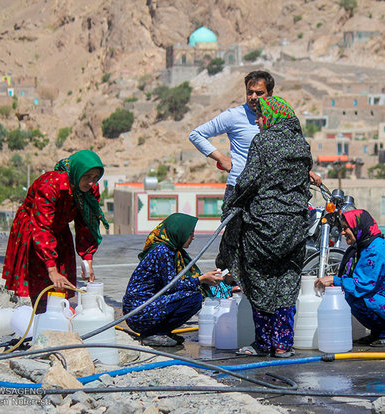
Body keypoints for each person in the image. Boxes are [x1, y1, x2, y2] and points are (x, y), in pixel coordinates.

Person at [217, 96, 312, 357]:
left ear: (271, 117)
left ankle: (264, 342)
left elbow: (248, 181)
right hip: (294, 227)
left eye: (260, 117)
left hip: (263, 226)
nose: (258, 122)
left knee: (259, 281)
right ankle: (283, 344)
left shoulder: (264, 141)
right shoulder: (302, 145)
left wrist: (231, 205)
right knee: (287, 282)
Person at [2, 150, 109, 312]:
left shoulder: (89, 191)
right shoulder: (50, 186)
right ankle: (41, 314)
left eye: (95, 178)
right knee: (42, 275)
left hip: (59, 228)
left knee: (63, 277)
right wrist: (51, 269)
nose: (91, 183)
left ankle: (58, 312)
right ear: (77, 171)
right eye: (87, 176)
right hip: (35, 226)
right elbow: (42, 227)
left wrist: (87, 261)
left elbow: (86, 224)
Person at [189, 70, 321, 200]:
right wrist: (222, 159)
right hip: (239, 187)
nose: (253, 97)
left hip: (270, 190)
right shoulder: (234, 115)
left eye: (259, 93)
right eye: (249, 92)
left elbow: (283, 154)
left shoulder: (278, 117)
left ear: (270, 94)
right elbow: (196, 135)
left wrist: (305, 172)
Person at [314, 210, 385, 347]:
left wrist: (335, 280)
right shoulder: (364, 248)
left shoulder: (375, 250)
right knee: (351, 293)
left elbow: (362, 286)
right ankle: (379, 332)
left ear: (358, 227)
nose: (342, 232)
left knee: (354, 297)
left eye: (346, 228)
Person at [122, 213, 225, 347]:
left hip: (144, 309)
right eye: (190, 234)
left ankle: (159, 332)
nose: (193, 238)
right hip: (139, 312)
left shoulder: (171, 250)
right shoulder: (162, 251)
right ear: (179, 232)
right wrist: (201, 279)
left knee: (192, 294)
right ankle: (154, 334)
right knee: (193, 298)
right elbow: (171, 285)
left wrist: (201, 279)